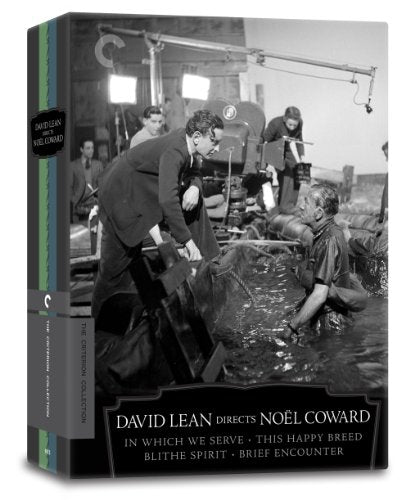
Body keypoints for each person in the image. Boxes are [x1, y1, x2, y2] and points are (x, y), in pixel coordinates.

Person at [92, 110, 224, 320]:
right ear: (197, 137)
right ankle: (95, 328)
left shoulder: (188, 143)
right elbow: (167, 200)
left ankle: (206, 265)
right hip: (120, 197)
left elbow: (195, 171)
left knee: (194, 199)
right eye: (214, 141)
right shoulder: (175, 151)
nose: (217, 148)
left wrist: (195, 187)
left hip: (139, 195)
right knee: (113, 270)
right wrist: (187, 241)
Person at [285, 184, 353, 338]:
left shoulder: (329, 240)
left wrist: (291, 328)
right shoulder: (324, 233)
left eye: (306, 203)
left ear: (318, 213)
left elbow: (320, 295)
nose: (301, 207)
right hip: (327, 318)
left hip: (330, 324)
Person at [263, 106, 306, 214]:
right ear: (285, 119)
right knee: (287, 173)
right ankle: (284, 206)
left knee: (300, 171)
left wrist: (301, 157)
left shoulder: (300, 123)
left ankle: (292, 205)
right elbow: (264, 141)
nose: (292, 128)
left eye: (294, 125)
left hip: (286, 149)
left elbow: (299, 140)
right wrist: (266, 161)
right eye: (290, 124)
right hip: (273, 148)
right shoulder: (275, 124)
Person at [70, 138, 103, 224]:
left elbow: (102, 187)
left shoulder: (98, 165)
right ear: (81, 149)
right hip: (78, 210)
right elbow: (69, 189)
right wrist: (75, 205)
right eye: (88, 148)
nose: (91, 150)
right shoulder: (73, 166)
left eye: (92, 148)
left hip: (94, 209)